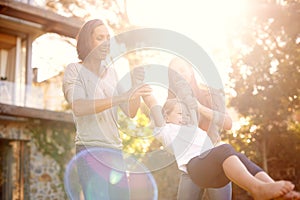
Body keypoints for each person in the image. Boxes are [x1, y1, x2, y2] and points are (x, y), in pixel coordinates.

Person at [142, 93, 300, 200]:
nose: (184, 118)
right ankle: (257, 189)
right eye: (179, 114)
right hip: (195, 167)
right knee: (224, 148)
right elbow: (152, 104)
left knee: (239, 157)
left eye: (187, 114)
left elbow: (214, 150)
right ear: (166, 116)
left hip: (212, 167)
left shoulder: (196, 131)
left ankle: (272, 187)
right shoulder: (166, 130)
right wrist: (144, 90)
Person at [62, 19, 152, 199]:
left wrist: (135, 87)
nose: (106, 43)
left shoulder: (112, 73)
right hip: (90, 151)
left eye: (108, 38)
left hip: (115, 152)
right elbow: (79, 106)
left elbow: (130, 112)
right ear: (88, 42)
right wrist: (120, 97)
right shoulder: (74, 70)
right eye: (100, 38)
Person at [168, 57, 233, 199]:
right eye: (174, 72)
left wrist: (200, 107)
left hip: (215, 161)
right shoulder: (172, 105)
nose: (179, 74)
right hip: (191, 166)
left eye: (182, 70)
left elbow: (228, 123)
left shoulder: (210, 93)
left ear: (191, 71)